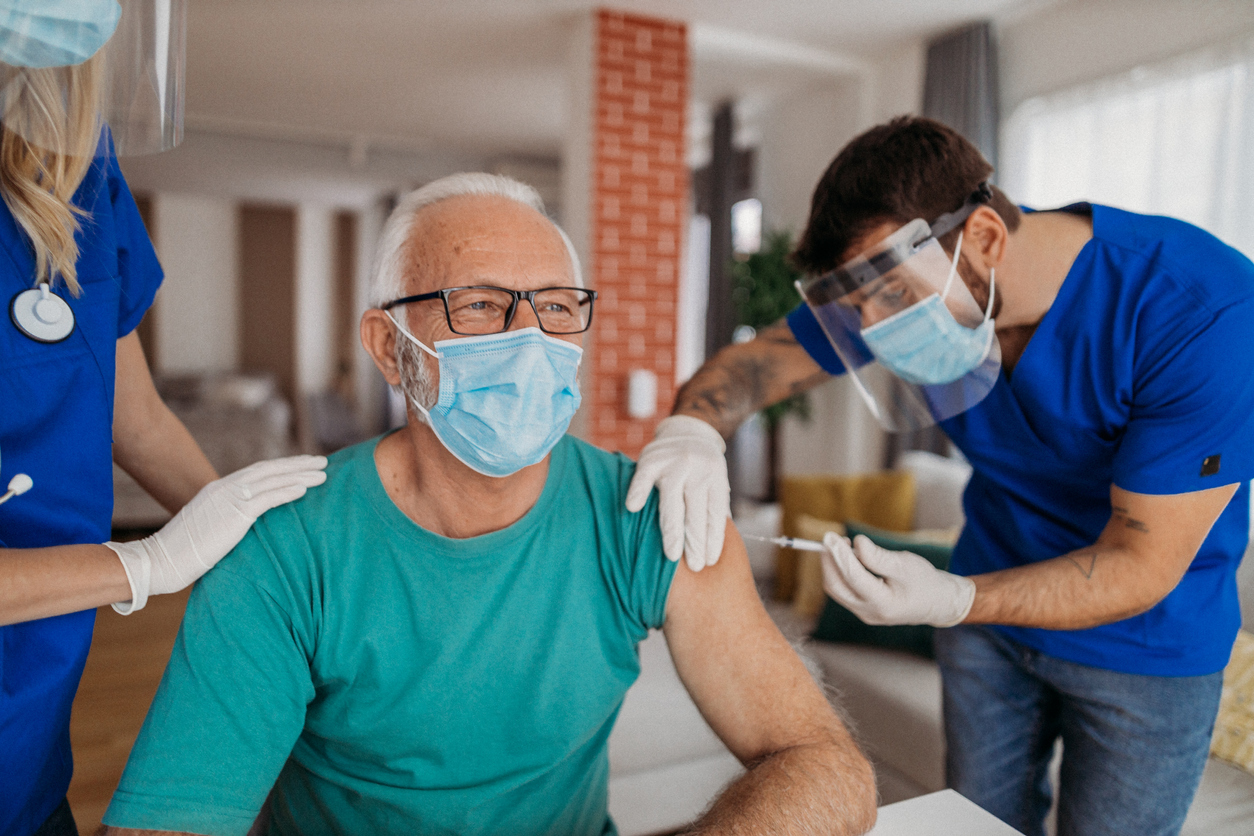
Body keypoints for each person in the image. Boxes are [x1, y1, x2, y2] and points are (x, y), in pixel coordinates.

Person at [98, 173, 878, 836]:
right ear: (387, 347)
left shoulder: (647, 512)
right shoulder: (286, 545)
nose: (531, 338)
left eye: (557, 305)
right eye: (479, 305)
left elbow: (827, 768)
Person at [628, 116, 1254, 836]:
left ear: (984, 238)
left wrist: (954, 598)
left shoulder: (1205, 314)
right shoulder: (895, 296)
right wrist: (692, 433)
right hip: (986, 626)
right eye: (853, 306)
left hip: (1146, 646)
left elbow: (1139, 564)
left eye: (888, 296)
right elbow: (748, 369)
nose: (873, 329)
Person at [0, 5, 326, 835]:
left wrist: (271, 541)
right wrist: (145, 563)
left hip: (28, 748)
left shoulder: (72, 168)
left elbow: (135, 418)